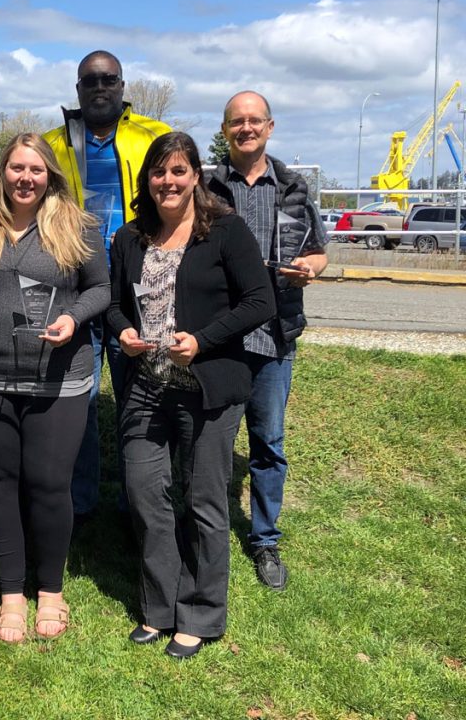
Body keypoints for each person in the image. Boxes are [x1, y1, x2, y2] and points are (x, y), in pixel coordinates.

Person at [109, 132, 275, 659]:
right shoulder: (130, 237)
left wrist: (203, 340)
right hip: (146, 388)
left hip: (209, 390)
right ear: (147, 180)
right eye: (159, 173)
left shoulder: (224, 230)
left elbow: (260, 301)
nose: (168, 182)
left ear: (196, 176)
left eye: (178, 171)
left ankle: (201, 613)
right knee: (145, 495)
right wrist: (124, 334)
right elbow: (114, 306)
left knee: (204, 502)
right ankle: (160, 607)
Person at [0, 133, 110, 643]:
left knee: (49, 485)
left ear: (50, 175)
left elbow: (101, 289)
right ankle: (9, 593)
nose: (26, 178)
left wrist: (72, 318)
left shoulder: (78, 225)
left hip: (58, 377)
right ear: (3, 172)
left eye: (36, 170)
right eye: (17, 168)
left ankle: (49, 590)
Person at [206, 91, 328, 591]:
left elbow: (319, 250)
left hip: (275, 335)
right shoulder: (207, 186)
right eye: (237, 121)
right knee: (208, 441)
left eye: (255, 121)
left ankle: (264, 539)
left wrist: (310, 269)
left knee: (268, 443)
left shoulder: (296, 186)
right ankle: (203, 532)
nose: (246, 128)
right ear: (226, 128)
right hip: (217, 334)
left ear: (270, 127)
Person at [44, 50, 171, 523]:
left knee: (140, 397)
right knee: (77, 399)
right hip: (74, 284)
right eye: (90, 80)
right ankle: (80, 505)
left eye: (109, 79)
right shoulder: (52, 144)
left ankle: (138, 505)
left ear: (123, 86)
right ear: (77, 89)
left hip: (136, 283)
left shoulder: (154, 137)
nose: (100, 87)